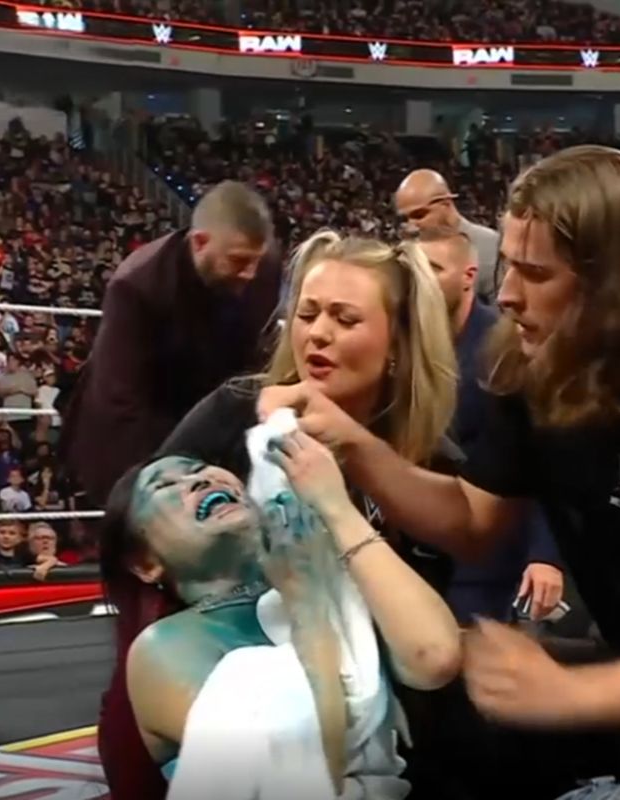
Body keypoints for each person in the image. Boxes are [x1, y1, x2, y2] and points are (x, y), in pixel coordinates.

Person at [262, 146, 620, 800]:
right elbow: (473, 521)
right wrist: (354, 443)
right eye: (509, 266)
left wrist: (575, 692)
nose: (508, 294)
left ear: (610, 286)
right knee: (438, 693)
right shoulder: (536, 369)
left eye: (535, 273)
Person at [96, 230, 461, 800]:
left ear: (397, 341)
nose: (318, 333)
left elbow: (427, 652)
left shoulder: (429, 465)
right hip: (205, 684)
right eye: (307, 314)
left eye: (344, 318)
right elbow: (147, 536)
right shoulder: (239, 413)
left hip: (375, 718)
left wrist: (339, 505)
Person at [102, 448, 460, 796]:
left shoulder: (330, 586)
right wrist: (308, 609)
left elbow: (434, 657)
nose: (198, 481)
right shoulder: (164, 647)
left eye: (199, 468)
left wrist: (336, 509)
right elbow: (300, 770)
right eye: (164, 485)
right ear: (145, 563)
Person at [61, 180, 282, 510]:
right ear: (200, 242)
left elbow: (257, 359)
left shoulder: (264, 266)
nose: (250, 273)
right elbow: (122, 401)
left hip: (219, 406)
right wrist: (150, 499)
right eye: (238, 261)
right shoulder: (137, 285)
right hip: (147, 418)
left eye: (256, 261)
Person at [418, 227, 564, 624]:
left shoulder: (506, 349)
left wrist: (545, 556)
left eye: (434, 268)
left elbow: (545, 460)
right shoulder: (403, 342)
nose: (422, 280)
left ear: (468, 276)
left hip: (488, 562)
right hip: (425, 540)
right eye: (415, 269)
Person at [394, 169, 501, 303]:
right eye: (405, 218)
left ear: (445, 204)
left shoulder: (488, 245)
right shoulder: (409, 256)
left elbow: (503, 311)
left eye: (419, 215)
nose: (411, 225)